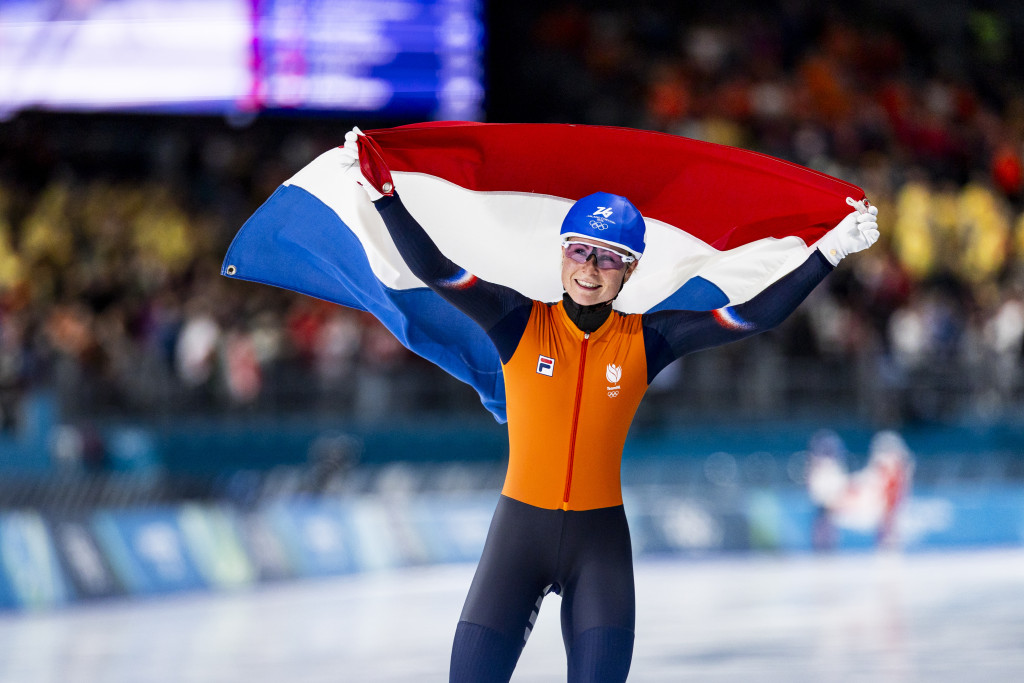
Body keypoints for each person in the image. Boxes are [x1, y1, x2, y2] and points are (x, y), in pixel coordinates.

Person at [340, 127, 879, 682]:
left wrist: (829, 252)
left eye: (608, 259)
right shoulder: (518, 320)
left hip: (599, 550)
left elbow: (750, 317)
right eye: (580, 252)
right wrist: (385, 196)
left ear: (630, 271)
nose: (589, 270)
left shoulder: (650, 339)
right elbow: (437, 270)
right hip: (516, 542)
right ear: (563, 254)